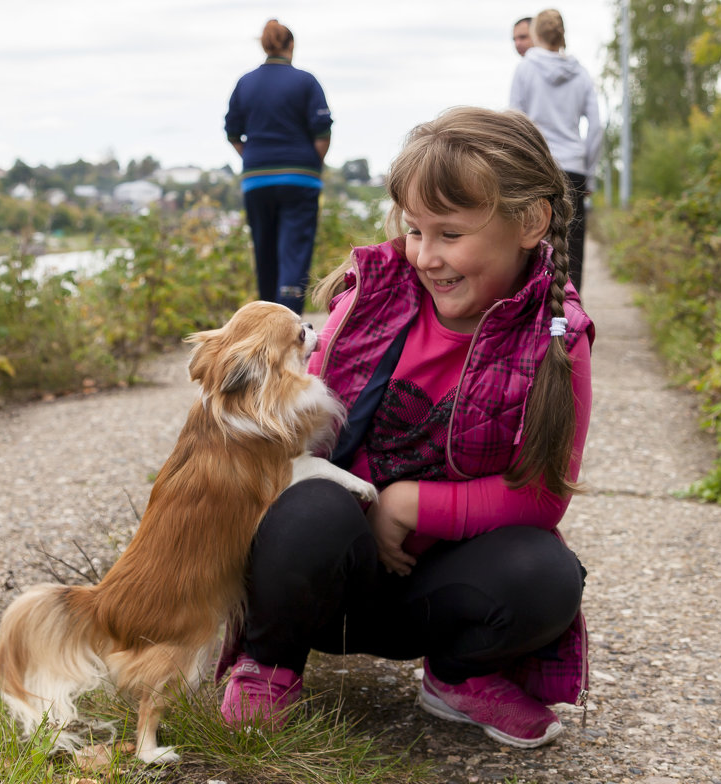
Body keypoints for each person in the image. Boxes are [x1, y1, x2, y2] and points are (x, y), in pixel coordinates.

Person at [215, 106, 594, 749]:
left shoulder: (558, 340)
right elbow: (285, 439)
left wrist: (408, 503)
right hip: (330, 574)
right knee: (307, 507)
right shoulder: (371, 299)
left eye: (450, 234)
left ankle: (457, 676)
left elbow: (542, 495)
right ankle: (270, 661)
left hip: (439, 589)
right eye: (415, 231)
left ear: (529, 223)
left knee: (547, 576)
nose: (426, 256)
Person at [225, 19, 332, 315]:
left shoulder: (245, 83)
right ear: (291, 45)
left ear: (264, 45)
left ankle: (268, 319)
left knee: (265, 250)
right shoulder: (306, 82)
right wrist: (311, 162)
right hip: (300, 178)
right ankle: (288, 320)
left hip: (256, 179)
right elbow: (322, 132)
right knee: (294, 251)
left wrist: (255, 157)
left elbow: (233, 133)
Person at [510, 9, 603, 291]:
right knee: (572, 250)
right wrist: (589, 173)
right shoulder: (582, 73)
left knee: (533, 246)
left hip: (538, 170)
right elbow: (596, 127)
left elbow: (515, 122)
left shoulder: (525, 68)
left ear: (536, 34)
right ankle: (573, 321)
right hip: (574, 170)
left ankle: (535, 316)